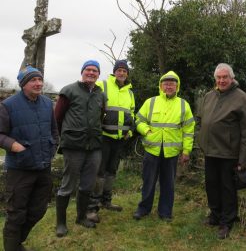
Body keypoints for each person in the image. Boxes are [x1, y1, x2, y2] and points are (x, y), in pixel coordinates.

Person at [0, 66, 58, 251]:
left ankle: (17, 242)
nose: (38, 83)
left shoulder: (48, 104)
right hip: (20, 169)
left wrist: (52, 148)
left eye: (40, 80)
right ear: (23, 84)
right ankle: (13, 247)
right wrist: (13, 145)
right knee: (16, 213)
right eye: (33, 80)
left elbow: (54, 131)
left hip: (43, 167)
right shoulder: (8, 105)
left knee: (38, 210)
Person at [194, 63, 246, 239]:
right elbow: (200, 120)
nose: (221, 80)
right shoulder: (208, 96)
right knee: (211, 185)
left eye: (224, 77)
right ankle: (215, 216)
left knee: (227, 189)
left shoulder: (243, 99)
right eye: (218, 77)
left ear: (232, 78)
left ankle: (227, 222)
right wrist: (200, 139)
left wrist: (243, 160)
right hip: (210, 151)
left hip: (229, 153)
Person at [133, 71, 195, 221]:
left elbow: (188, 130)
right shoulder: (150, 102)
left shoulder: (183, 105)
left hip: (171, 152)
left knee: (168, 184)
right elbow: (138, 120)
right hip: (151, 149)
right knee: (148, 182)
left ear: (177, 86)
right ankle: (143, 209)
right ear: (160, 86)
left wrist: (186, 151)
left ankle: (165, 213)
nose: (168, 86)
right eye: (166, 83)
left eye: (172, 83)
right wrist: (146, 130)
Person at [55, 60, 106, 237]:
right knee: (68, 185)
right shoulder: (68, 90)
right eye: (88, 70)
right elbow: (57, 117)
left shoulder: (101, 94)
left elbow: (100, 117)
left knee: (87, 184)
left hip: (94, 146)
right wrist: (67, 135)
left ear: (98, 75)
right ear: (82, 72)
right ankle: (60, 223)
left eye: (95, 71)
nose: (91, 73)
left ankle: (81, 217)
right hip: (73, 145)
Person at [87, 59, 135, 222]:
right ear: (114, 72)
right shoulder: (104, 85)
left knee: (112, 171)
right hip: (104, 138)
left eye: (124, 70)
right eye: (119, 70)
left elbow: (132, 113)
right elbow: (93, 107)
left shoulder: (130, 92)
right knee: (99, 173)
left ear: (127, 74)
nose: (122, 73)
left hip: (119, 139)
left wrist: (130, 129)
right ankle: (92, 207)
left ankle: (106, 201)